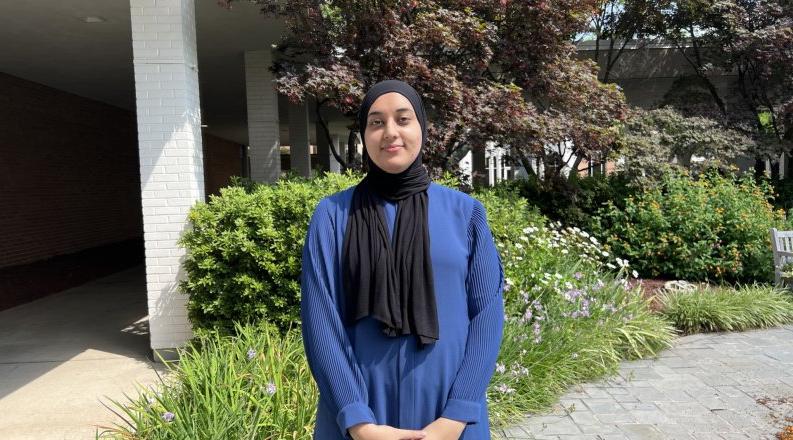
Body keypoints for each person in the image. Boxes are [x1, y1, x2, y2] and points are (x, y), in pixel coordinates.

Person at [300, 79, 505, 440]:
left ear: (421, 127)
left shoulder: (466, 214)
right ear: (364, 134)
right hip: (359, 415)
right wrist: (358, 422)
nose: (390, 132)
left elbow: (487, 315)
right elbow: (320, 321)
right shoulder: (332, 216)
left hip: (449, 417)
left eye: (402, 119)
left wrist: (458, 414)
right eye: (376, 122)